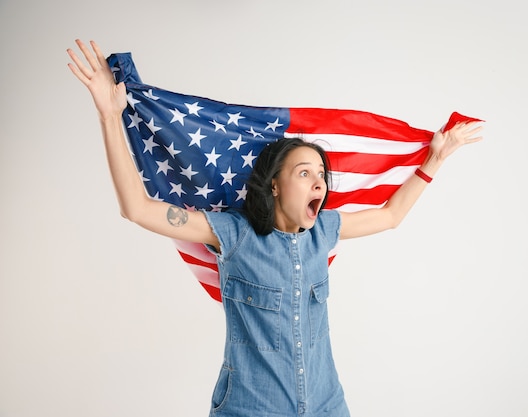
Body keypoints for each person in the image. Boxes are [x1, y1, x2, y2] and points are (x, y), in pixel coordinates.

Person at [67, 39, 483, 417]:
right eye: (304, 173)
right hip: (251, 408)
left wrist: (436, 159)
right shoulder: (233, 233)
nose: (318, 181)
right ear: (274, 185)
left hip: (326, 404)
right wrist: (109, 115)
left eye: (321, 174)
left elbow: (391, 215)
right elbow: (138, 209)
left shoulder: (325, 231)